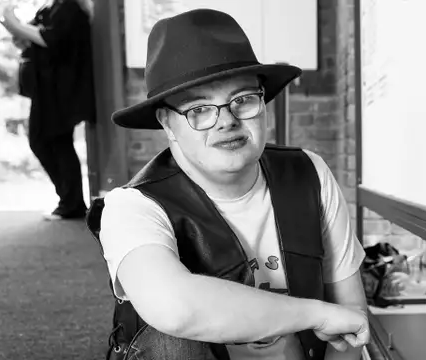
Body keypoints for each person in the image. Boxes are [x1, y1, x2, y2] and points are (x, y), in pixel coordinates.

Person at [84, 9, 369, 360]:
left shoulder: (309, 173)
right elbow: (174, 307)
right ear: (167, 123)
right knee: (168, 342)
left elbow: (350, 321)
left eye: (243, 100)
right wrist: (316, 315)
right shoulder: (132, 206)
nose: (227, 121)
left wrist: (335, 322)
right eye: (199, 109)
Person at [0, 0, 95, 220]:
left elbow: (51, 39)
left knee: (54, 141)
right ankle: (69, 201)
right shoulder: (50, 7)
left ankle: (71, 203)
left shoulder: (69, 7)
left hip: (60, 88)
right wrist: (14, 28)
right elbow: (33, 40)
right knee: (46, 141)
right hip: (46, 88)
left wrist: (16, 24)